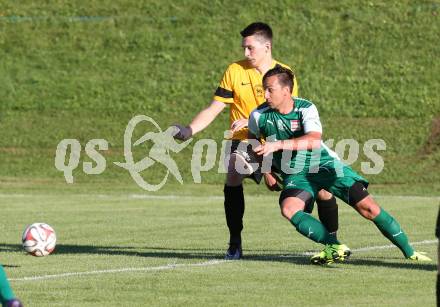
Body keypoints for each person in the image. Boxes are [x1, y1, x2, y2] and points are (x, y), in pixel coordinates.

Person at [172, 22, 345, 260]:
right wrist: (189, 129)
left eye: (250, 48)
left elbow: (287, 113)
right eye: (244, 48)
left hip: (280, 141)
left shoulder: (284, 73)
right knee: (233, 168)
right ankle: (235, 243)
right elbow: (213, 109)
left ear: (267, 46)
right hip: (246, 142)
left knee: (324, 188)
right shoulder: (234, 70)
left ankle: (333, 242)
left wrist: (256, 131)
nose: (245, 53)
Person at [248, 65, 431, 264]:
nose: (265, 94)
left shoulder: (305, 108)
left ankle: (410, 252)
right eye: (263, 89)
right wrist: (266, 172)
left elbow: (314, 140)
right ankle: (334, 246)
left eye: (269, 89)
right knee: (289, 209)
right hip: (296, 173)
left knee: (369, 208)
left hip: (325, 166)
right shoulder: (258, 116)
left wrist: (277, 145)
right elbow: (253, 143)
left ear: (286, 90)